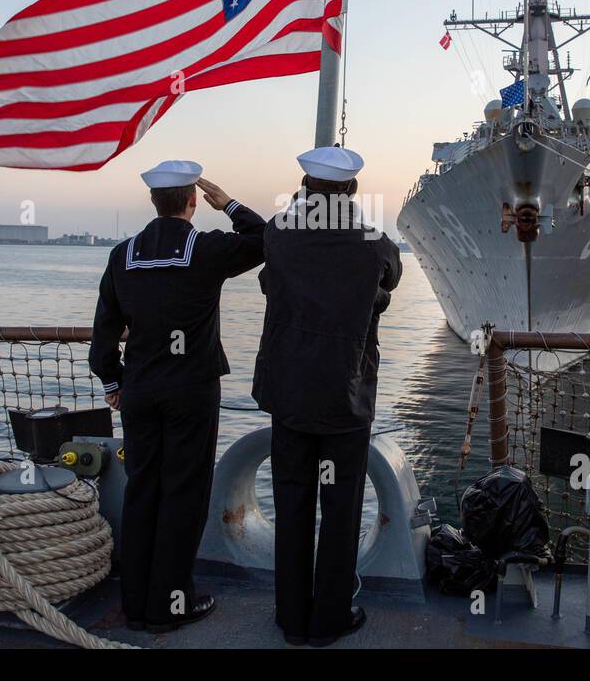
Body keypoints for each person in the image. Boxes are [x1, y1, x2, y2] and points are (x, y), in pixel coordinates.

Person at [89, 160, 265, 632]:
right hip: (190, 389)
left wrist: (111, 382)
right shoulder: (205, 249)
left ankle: (137, 603)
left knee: (142, 490)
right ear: (192, 201)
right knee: (183, 495)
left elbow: (104, 329)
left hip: (139, 390)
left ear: (152, 201)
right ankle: (171, 605)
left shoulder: (123, 254)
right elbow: (263, 240)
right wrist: (227, 202)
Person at [253, 146, 403, 647]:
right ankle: (330, 619)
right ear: (352, 190)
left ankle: (291, 618)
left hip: (289, 392)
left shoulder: (280, 232)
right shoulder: (373, 243)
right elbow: (390, 280)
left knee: (291, 505)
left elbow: (269, 279)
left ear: (305, 188)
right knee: (340, 509)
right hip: (345, 396)